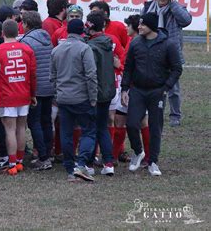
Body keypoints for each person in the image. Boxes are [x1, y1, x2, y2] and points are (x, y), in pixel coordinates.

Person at [121, 13, 183, 176]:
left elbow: (177, 68)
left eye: (142, 24)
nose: (139, 27)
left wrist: (166, 87)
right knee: (131, 123)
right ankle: (138, 151)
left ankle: (153, 162)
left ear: (152, 26)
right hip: (138, 90)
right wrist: (124, 88)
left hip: (157, 91)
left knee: (155, 127)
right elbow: (128, 68)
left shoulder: (168, 44)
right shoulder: (135, 43)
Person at [50, 19, 98, 182]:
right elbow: (91, 75)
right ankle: (82, 163)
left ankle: (70, 166)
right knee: (89, 130)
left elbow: (53, 76)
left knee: (66, 132)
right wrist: (93, 98)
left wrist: (58, 94)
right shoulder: (85, 48)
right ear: (82, 32)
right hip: (82, 97)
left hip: (63, 98)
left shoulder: (56, 50)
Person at [142, 0, 192, 127]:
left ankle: (175, 116)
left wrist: (174, 4)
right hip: (152, 50)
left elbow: (186, 20)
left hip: (171, 52)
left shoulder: (177, 7)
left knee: (173, 88)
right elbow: (142, 24)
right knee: (152, 84)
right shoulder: (148, 7)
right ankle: (155, 113)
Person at [0, 20, 37, 175]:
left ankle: (12, 163)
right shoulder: (27, 49)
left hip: (7, 94)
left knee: (10, 129)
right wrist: (33, 94)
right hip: (23, 92)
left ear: (2, 33)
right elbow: (33, 74)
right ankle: (19, 161)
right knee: (21, 128)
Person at [19, 11, 54, 171]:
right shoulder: (47, 38)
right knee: (47, 121)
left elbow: (28, 68)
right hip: (49, 86)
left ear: (26, 24)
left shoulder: (27, 42)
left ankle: (43, 156)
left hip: (36, 88)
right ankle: (48, 152)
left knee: (34, 122)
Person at [114, 14, 150, 165]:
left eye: (128, 25)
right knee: (139, 122)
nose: (125, 28)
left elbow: (129, 68)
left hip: (132, 89)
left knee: (122, 121)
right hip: (135, 88)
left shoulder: (135, 44)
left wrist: (118, 66)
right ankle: (146, 156)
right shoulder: (134, 42)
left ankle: (113, 157)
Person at [85, 12, 116, 176]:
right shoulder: (107, 43)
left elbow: (90, 73)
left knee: (90, 129)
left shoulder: (91, 47)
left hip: (95, 92)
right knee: (102, 128)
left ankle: (89, 162)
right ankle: (108, 162)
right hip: (107, 91)